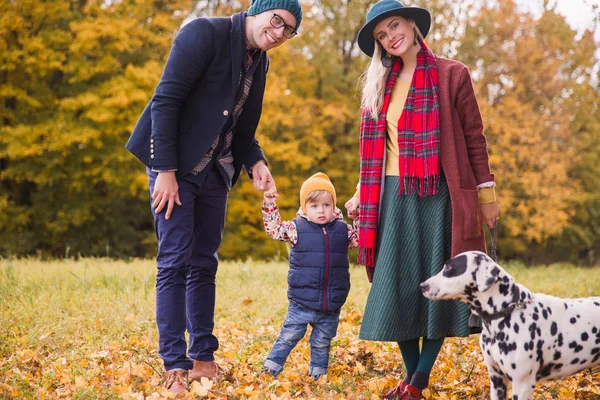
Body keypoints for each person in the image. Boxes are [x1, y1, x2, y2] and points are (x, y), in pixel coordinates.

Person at [125, 0, 303, 393]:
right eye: (276, 21)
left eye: (287, 31)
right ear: (259, 9)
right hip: (176, 165)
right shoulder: (202, 33)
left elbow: (235, 121)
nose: (278, 34)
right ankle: (175, 365)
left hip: (217, 172)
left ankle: (203, 358)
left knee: (205, 263)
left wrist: (256, 161)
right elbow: (165, 102)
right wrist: (166, 172)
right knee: (174, 263)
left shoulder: (260, 62)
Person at [345, 1, 501, 399]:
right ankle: (411, 379)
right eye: (381, 35)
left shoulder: (453, 74)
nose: (390, 37)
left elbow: (474, 139)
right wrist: (361, 193)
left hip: (440, 197)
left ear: (413, 25)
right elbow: (378, 152)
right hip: (392, 198)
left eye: (393, 26)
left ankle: (416, 383)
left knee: (439, 289)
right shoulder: (380, 83)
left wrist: (487, 195)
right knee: (396, 287)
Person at [261, 173, 359, 380]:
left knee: (322, 341)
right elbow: (274, 229)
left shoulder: (343, 230)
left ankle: (318, 375)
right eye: (314, 206)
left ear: (334, 205)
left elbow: (360, 240)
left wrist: (357, 217)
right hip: (301, 301)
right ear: (305, 208)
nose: (321, 210)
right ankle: (270, 369)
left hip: (331, 302)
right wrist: (270, 203)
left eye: (326, 205)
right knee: (289, 336)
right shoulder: (296, 228)